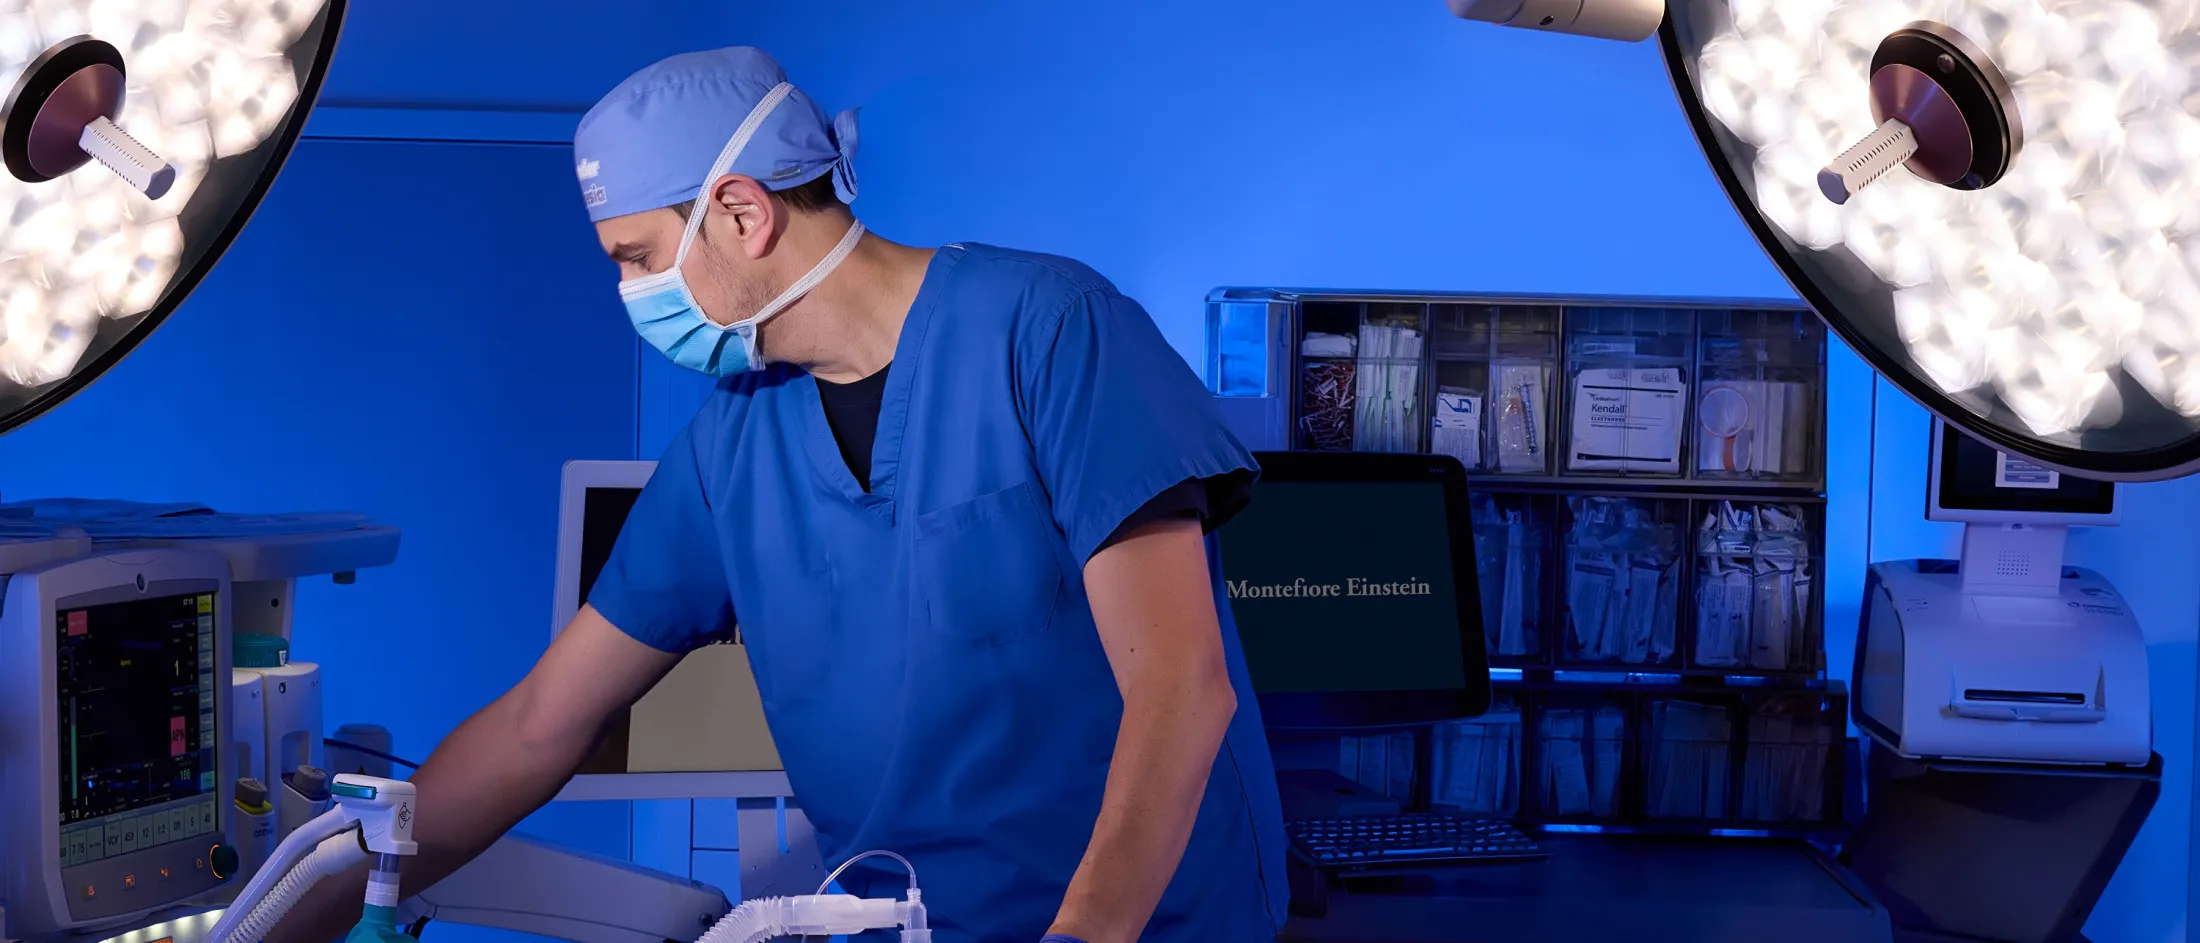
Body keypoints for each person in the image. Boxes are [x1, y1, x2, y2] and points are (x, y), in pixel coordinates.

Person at [265, 46, 1287, 943]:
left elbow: (1180, 687)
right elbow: (543, 722)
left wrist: (1086, 932)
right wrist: (298, 909)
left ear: (742, 212)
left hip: (1137, 922)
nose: (630, 294)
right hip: (907, 921)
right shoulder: (733, 445)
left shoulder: (1050, 331)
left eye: (636, 259)